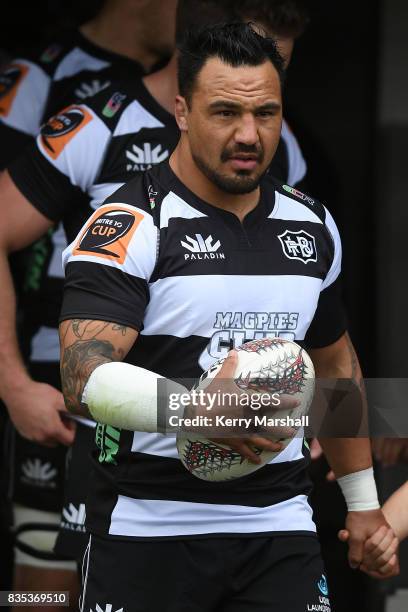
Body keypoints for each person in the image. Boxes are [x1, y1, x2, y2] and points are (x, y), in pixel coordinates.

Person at [57, 23, 397, 610]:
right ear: (182, 112)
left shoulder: (312, 225)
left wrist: (363, 503)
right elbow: (81, 378)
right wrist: (197, 410)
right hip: (146, 528)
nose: (249, 135)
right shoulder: (131, 225)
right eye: (225, 113)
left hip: (279, 527)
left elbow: (335, 364)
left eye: (266, 114)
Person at [0, 0, 310, 568]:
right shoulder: (98, 124)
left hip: (238, 455)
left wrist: (317, 417)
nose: (256, 116)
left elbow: (304, 294)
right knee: (47, 589)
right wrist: (12, 384)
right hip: (83, 412)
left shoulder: (279, 142)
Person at [0, 0, 177, 608]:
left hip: (179, 388)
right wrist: (13, 383)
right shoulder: (48, 80)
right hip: (55, 369)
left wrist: (332, 418)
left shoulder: (258, 127)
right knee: (43, 590)